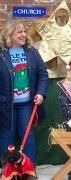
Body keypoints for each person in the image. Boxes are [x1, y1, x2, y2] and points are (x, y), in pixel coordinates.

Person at [0, 20, 48, 165]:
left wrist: (40, 93)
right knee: (7, 135)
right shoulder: (2, 54)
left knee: (28, 137)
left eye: (24, 31)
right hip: (5, 105)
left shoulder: (32, 52)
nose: (23, 35)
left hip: (27, 105)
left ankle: (29, 169)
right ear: (9, 35)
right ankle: (8, 170)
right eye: (19, 32)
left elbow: (42, 74)